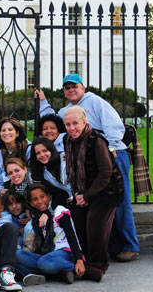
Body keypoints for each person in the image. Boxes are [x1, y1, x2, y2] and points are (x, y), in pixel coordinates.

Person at [36, 73, 139, 262]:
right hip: (90, 156)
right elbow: (52, 122)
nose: (71, 90)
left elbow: (113, 125)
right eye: (67, 88)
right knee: (101, 201)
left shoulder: (95, 102)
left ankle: (130, 245)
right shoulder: (68, 110)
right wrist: (43, 102)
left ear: (83, 87)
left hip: (114, 152)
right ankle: (113, 246)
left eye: (74, 86)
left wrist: (112, 146)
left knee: (120, 200)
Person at [63, 106, 124, 281]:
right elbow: (72, 170)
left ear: (84, 122)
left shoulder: (96, 140)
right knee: (78, 224)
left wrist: (87, 196)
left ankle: (98, 265)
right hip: (84, 191)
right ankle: (84, 262)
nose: (72, 127)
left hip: (107, 191)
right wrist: (78, 195)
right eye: (67, 124)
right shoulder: (68, 140)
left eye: (75, 123)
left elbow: (105, 171)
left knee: (95, 225)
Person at [16, 183, 85, 285]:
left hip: (66, 252)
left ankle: (75, 268)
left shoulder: (59, 211)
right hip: (49, 256)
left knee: (43, 262)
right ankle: (60, 274)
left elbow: (71, 235)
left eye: (42, 196)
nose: (39, 201)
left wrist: (79, 259)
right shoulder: (37, 219)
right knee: (18, 255)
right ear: (31, 203)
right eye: (35, 199)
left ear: (48, 197)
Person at [0, 117, 32, 195]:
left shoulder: (28, 149)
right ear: (0, 135)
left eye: (10, 130)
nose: (6, 133)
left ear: (17, 133)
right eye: (3, 130)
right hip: (9, 195)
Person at [29, 137, 73, 205]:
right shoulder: (43, 172)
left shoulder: (65, 159)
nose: (42, 155)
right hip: (69, 201)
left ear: (51, 150)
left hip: (83, 195)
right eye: (38, 153)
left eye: (44, 151)